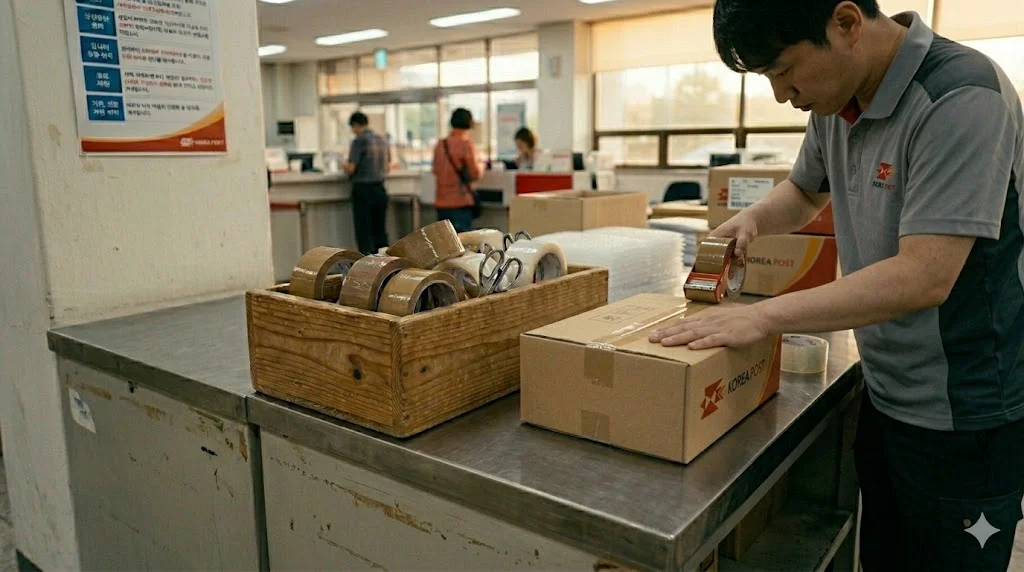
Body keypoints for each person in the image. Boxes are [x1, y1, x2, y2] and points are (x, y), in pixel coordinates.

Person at [649, 2, 1024, 571]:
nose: (780, 95)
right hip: (887, 390)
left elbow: (925, 274)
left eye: (783, 71)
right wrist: (751, 220)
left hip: (967, 415)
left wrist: (765, 315)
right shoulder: (836, 99)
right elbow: (805, 192)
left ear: (846, 24)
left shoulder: (962, 97)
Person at [344, 111, 391, 254]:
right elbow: (387, 166)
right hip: (380, 189)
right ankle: (386, 266)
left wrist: (343, 165)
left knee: (364, 232)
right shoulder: (382, 140)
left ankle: (368, 268)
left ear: (356, 125)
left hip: (363, 191)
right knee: (380, 231)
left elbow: (351, 168)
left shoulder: (359, 141)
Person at [432, 108, 482, 232]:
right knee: (462, 246)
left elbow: (435, 170)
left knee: (444, 245)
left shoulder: (440, 144)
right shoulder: (466, 144)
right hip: (460, 202)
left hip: (441, 203)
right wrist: (482, 166)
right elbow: (475, 173)